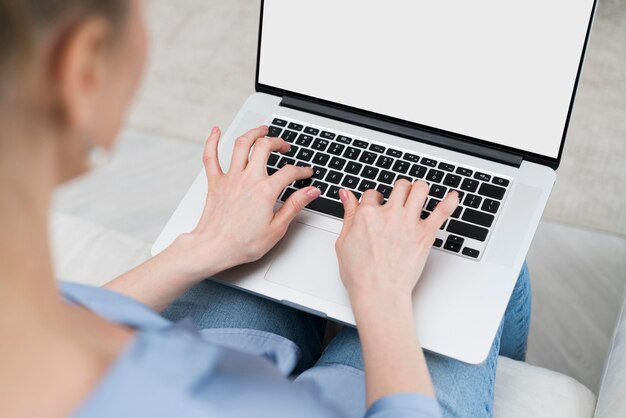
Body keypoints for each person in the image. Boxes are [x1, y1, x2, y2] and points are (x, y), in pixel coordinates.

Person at [0, 1, 531, 417]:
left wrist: (198, 249)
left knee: (274, 247)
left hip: (186, 363)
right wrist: (383, 297)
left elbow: (63, 321)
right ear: (83, 66)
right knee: (488, 272)